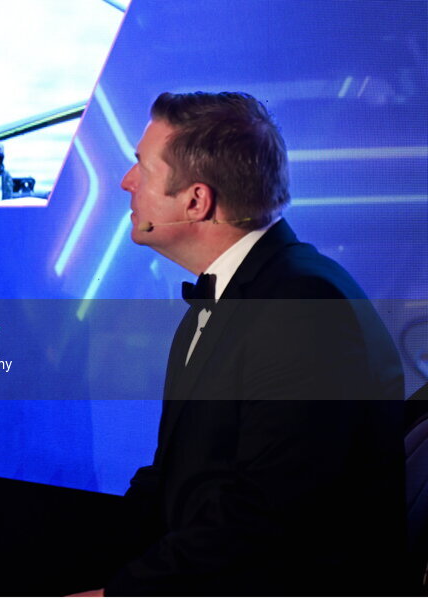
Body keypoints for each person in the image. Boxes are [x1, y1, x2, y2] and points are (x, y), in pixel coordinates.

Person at [87, 92, 406, 595]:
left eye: (141, 168)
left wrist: (122, 593)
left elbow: (268, 516)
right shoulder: (241, 297)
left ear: (196, 200)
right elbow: (178, 482)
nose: (126, 183)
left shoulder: (302, 305)